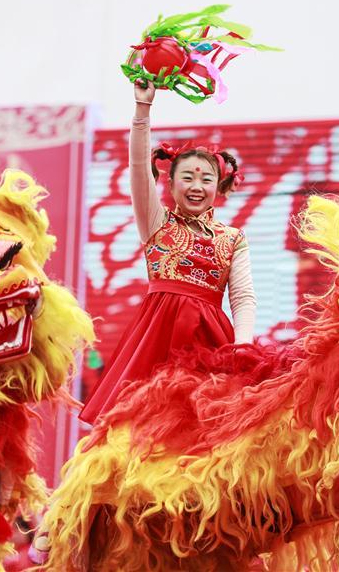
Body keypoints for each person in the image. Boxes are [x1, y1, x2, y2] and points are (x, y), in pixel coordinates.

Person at [79, 80, 256, 425]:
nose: (196, 186)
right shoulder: (156, 223)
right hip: (156, 341)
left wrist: (243, 347)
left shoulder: (233, 237)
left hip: (212, 342)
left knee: (208, 425)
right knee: (145, 425)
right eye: (186, 177)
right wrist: (142, 110)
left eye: (205, 179)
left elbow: (243, 298)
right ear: (170, 185)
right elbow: (137, 167)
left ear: (218, 187)